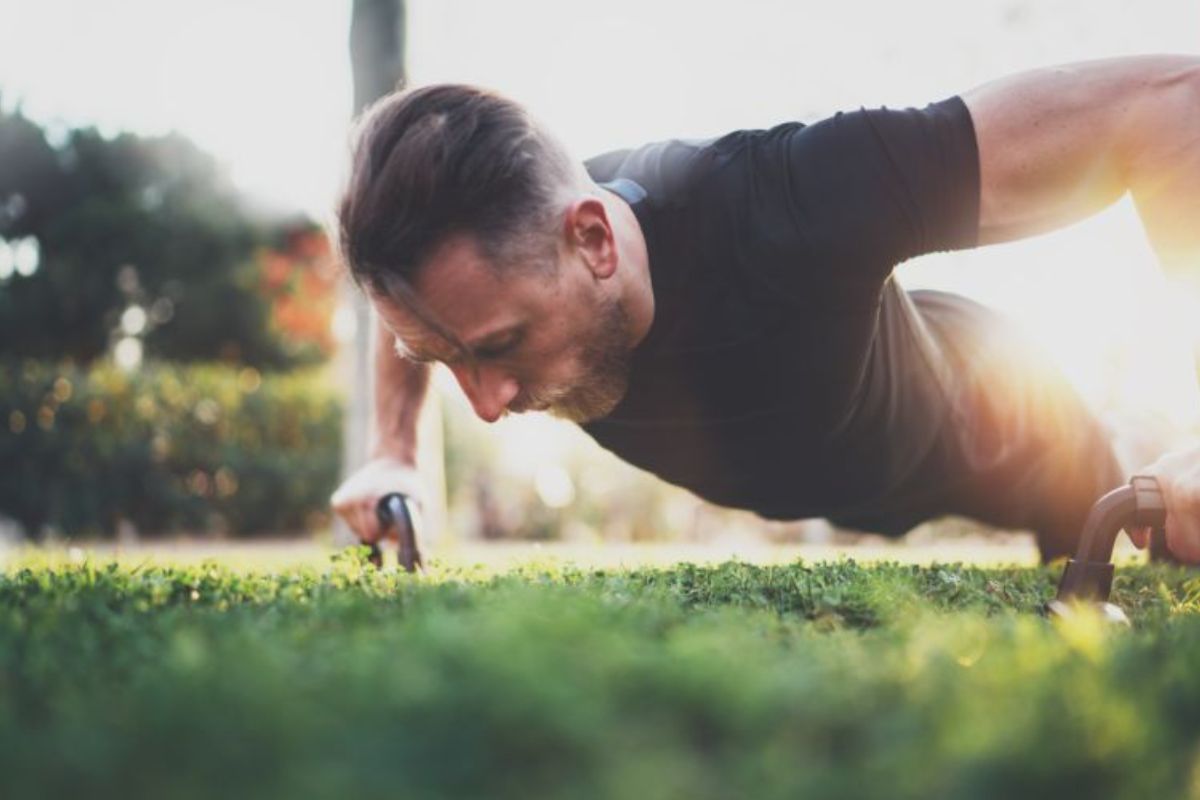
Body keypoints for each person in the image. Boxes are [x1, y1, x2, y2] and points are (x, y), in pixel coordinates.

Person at [330, 55, 1200, 563]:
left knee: (1136, 521)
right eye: (450, 362)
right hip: (851, 476)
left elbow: (1166, 106)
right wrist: (393, 452)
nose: (485, 404)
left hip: (1005, 418)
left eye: (503, 347)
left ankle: (1137, 425)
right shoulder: (488, 262)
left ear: (595, 241)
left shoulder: (788, 203)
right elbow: (418, 308)